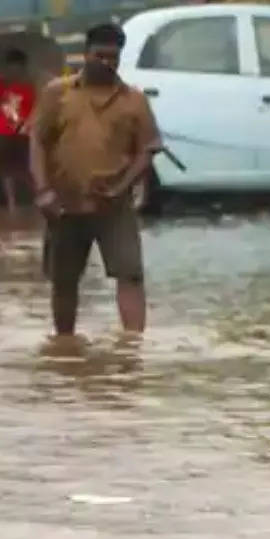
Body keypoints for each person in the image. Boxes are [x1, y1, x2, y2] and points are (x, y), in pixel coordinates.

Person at [29, 23, 160, 336]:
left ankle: (132, 348)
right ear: (85, 54)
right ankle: (64, 345)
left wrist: (123, 185)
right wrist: (43, 190)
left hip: (114, 206)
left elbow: (147, 149)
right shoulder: (56, 94)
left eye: (114, 58)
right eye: (100, 56)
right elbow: (37, 140)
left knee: (130, 275)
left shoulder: (135, 101)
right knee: (64, 281)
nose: (107, 63)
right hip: (65, 204)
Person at [0, 49, 37, 211]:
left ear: (23, 67)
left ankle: (36, 198)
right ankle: (11, 203)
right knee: (5, 169)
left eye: (17, 67)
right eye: (11, 67)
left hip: (23, 132)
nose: (14, 71)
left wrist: (28, 125)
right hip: (2, 131)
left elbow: (33, 110)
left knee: (27, 168)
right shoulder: (1, 84)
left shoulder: (29, 87)